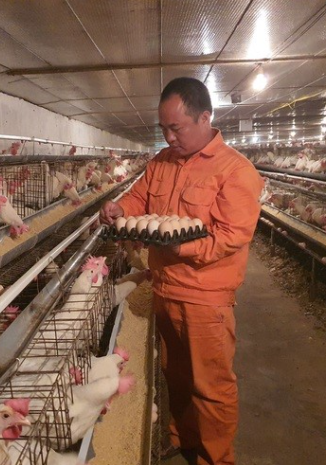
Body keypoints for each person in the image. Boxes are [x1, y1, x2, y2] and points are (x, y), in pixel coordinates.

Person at [100, 77, 264, 465]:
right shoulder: (162, 162)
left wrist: (182, 247)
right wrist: (122, 208)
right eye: (163, 128)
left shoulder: (235, 171)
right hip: (165, 287)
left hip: (205, 297)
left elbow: (232, 236)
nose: (169, 137)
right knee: (175, 376)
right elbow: (140, 198)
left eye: (176, 128)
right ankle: (183, 439)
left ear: (205, 117)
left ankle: (215, 459)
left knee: (211, 388)